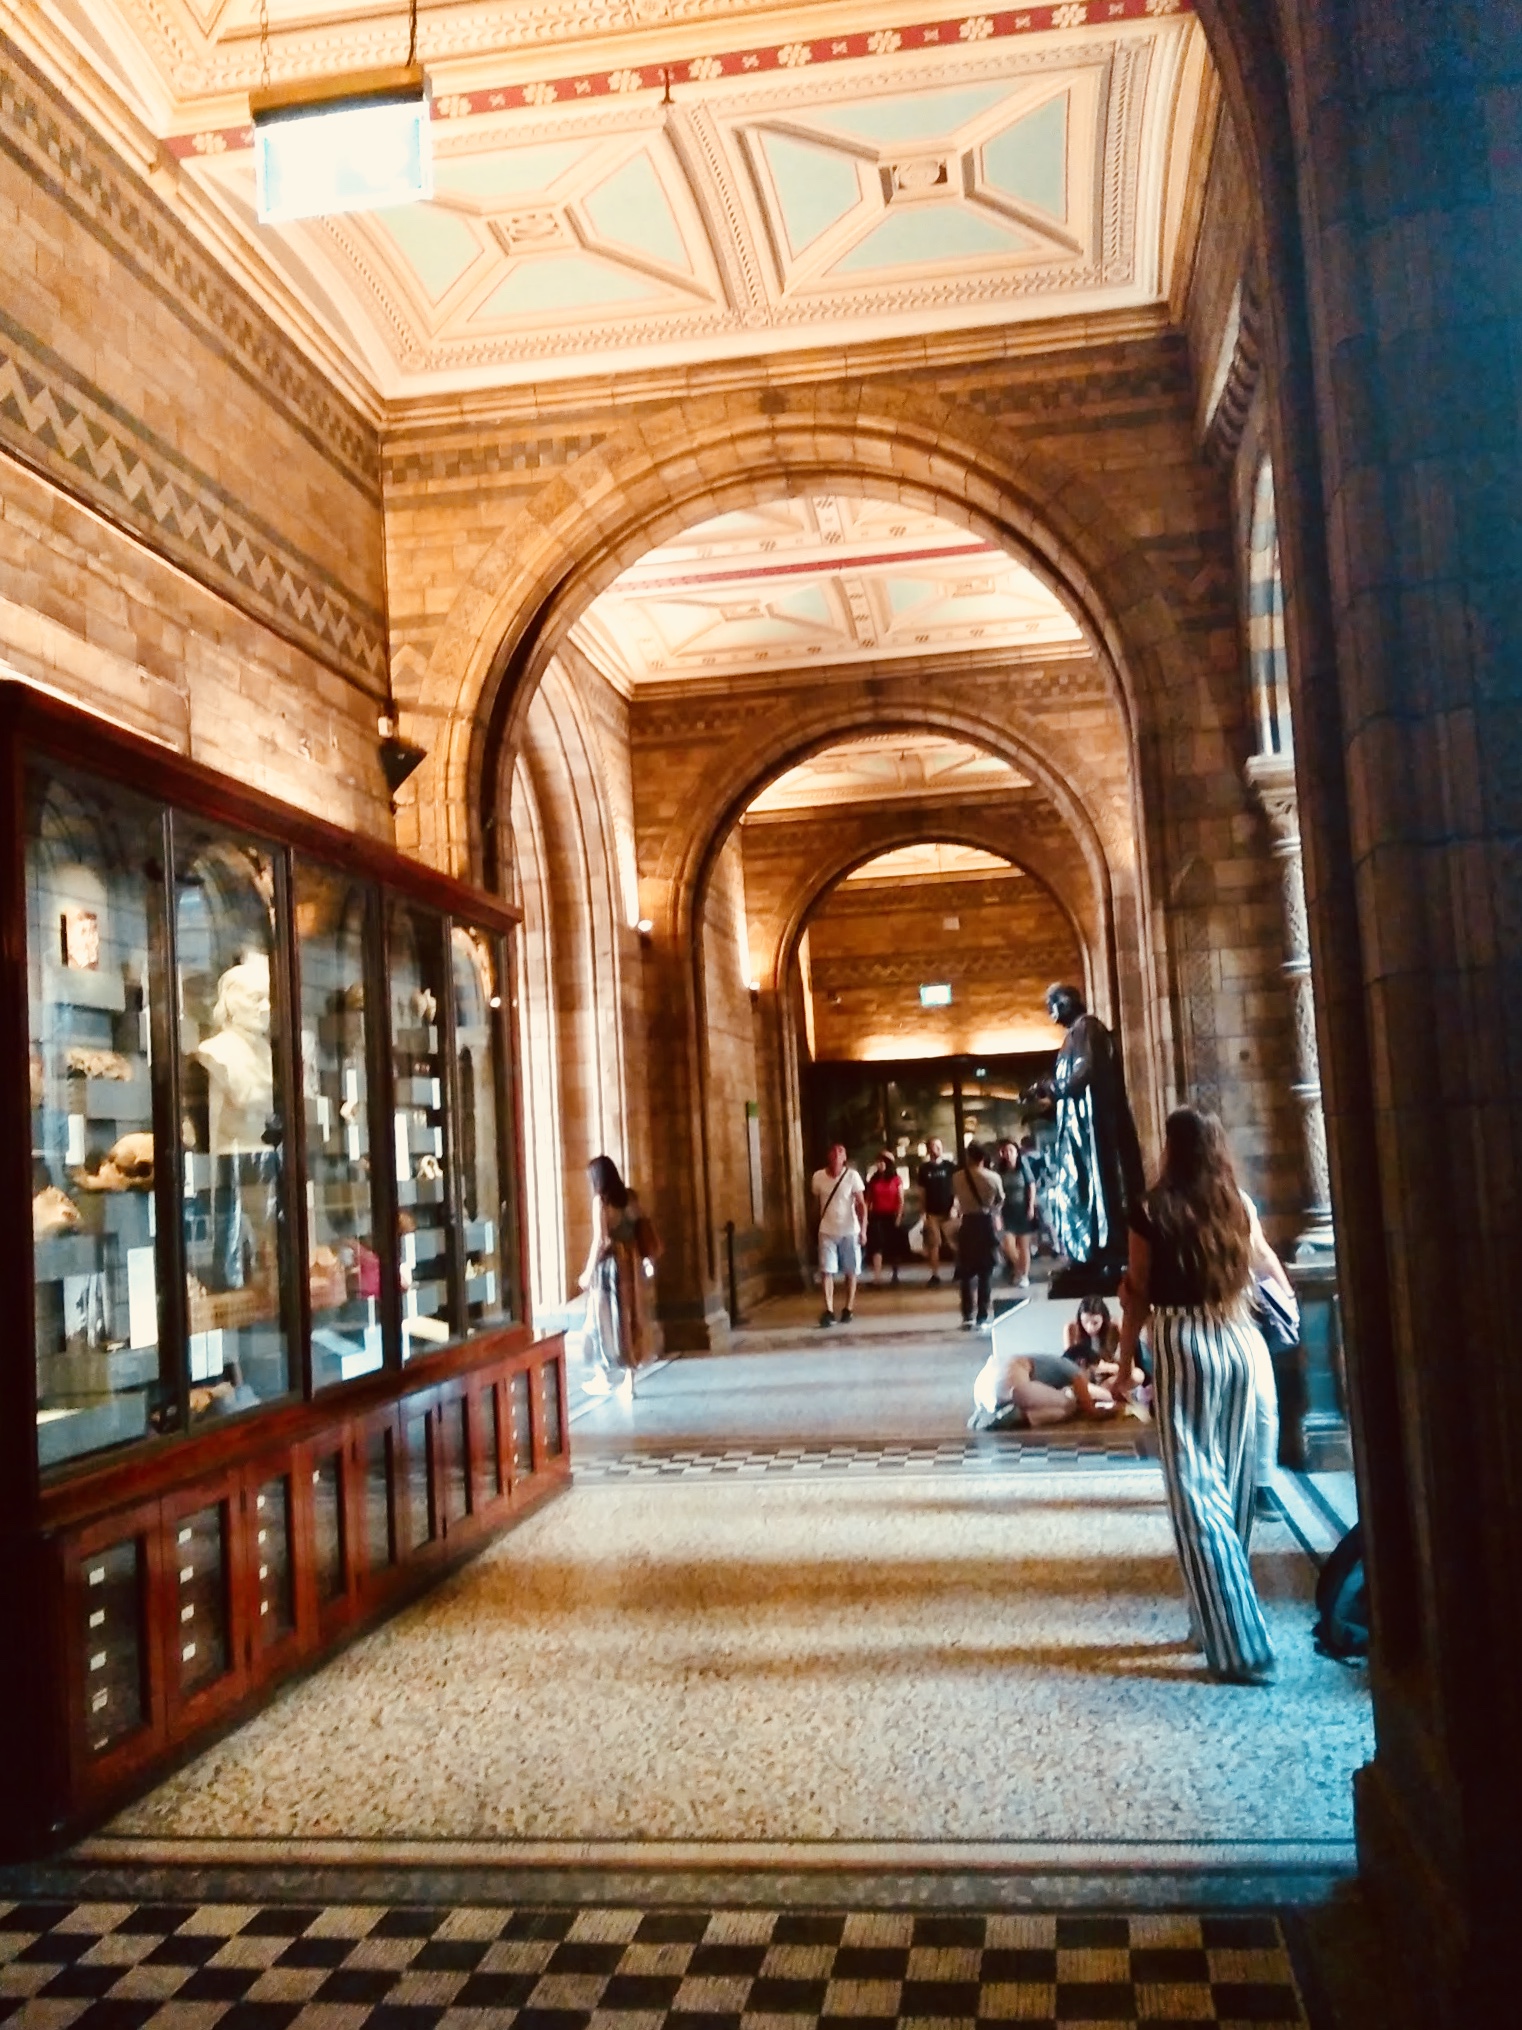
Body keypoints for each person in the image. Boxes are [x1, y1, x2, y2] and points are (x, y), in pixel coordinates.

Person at [1113, 1107, 1276, 1685]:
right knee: (1230, 1486)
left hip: (1183, 1342)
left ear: (1171, 1147)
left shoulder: (1150, 1209)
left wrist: (1125, 1363)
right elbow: (1258, 1268)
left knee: (1195, 1496)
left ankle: (1242, 1645)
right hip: (1239, 1339)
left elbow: (1138, 1292)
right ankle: (1211, 1624)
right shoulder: (1238, 1203)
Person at [1027, 984, 1145, 1293]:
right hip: (1077, 1132)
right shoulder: (1073, 1035)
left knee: (1095, 1190)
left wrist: (1053, 1088)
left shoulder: (1088, 1028)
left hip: (1092, 1134)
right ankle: (1086, 1253)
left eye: (1052, 1004)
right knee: (1077, 1191)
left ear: (1066, 1002)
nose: (1050, 1013)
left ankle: (1104, 1253)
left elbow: (1086, 1071)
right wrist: (1047, 1096)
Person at [577, 1154, 653, 1397]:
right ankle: (629, 1382)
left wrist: (587, 1272)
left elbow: (601, 1240)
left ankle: (602, 1376)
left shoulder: (601, 1202)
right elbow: (640, 1226)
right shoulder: (631, 1197)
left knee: (597, 1321)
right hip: (630, 1263)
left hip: (609, 1268)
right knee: (629, 1319)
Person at [970, 1347, 1117, 1430]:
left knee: (1058, 1410)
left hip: (982, 1387)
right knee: (1069, 1404)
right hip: (1013, 1383)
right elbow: (1088, 1402)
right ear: (1082, 1362)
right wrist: (1106, 1410)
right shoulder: (1070, 1366)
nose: (1089, 1379)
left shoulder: (1048, 1363)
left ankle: (1007, 1414)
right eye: (1091, 1373)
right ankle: (1012, 1414)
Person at [811, 1141, 866, 1327]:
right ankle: (828, 1309)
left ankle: (848, 1308)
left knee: (851, 1270)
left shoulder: (852, 1176)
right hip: (827, 1229)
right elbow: (815, 1202)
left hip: (849, 1230)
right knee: (827, 1270)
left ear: (844, 1158)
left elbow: (861, 1205)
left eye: (840, 1152)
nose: (836, 1155)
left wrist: (863, 1230)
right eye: (833, 1152)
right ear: (828, 1156)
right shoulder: (818, 1177)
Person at [951, 1141, 1003, 1330]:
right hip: (986, 1224)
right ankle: (982, 1316)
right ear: (983, 1158)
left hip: (968, 1224)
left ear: (968, 1157)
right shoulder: (993, 1177)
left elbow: (956, 1197)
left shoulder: (957, 1177)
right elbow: (1000, 1200)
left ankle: (967, 1315)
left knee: (965, 1273)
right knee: (985, 1273)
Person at [993, 1136, 1039, 1286]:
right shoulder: (999, 1169)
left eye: (1011, 1150)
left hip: (1022, 1209)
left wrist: (1031, 1207)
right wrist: (997, 1213)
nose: (1008, 1154)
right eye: (1005, 1151)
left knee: (1023, 1246)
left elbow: (1031, 1186)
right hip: (1007, 1210)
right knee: (1008, 1245)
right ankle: (1019, 1269)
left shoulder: (1023, 1166)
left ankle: (1023, 1275)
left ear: (1017, 1152)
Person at [916, 1137, 958, 1285]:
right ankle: (935, 1274)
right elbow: (922, 1192)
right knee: (933, 1244)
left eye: (939, 1146)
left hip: (949, 1211)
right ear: (929, 1149)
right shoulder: (924, 1169)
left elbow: (957, 1188)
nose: (938, 1149)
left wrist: (955, 1206)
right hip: (932, 1212)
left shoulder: (950, 1167)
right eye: (934, 1146)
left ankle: (959, 1269)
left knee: (955, 1243)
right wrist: (922, 1211)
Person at [863, 1150, 904, 1286]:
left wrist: (899, 1216)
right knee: (877, 1245)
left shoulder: (896, 1179)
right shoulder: (873, 1180)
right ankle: (877, 1276)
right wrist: (866, 1216)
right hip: (877, 1215)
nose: (879, 1164)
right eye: (878, 1162)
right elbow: (868, 1199)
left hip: (892, 1215)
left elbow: (900, 1199)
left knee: (893, 1245)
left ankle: (895, 1274)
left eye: (882, 1162)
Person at [1065, 1295, 1120, 1371]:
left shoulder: (1115, 1328)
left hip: (1110, 1373)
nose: (1090, 1328)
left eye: (1095, 1323)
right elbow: (1067, 1365)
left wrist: (1105, 1367)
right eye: (1085, 1322)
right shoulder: (1072, 1328)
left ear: (1104, 1319)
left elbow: (1127, 1366)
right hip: (1082, 1374)